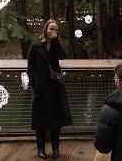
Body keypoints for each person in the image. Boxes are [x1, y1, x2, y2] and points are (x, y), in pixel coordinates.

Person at [27, 19, 72, 159]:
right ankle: (41, 148)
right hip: (40, 88)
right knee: (40, 120)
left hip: (55, 87)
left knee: (56, 119)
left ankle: (55, 148)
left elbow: (63, 56)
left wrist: (56, 41)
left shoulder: (56, 45)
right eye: (51, 29)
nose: (53, 31)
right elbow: (30, 67)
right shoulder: (35, 46)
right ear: (45, 29)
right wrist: (35, 84)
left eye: (56, 30)